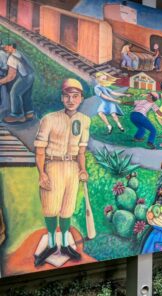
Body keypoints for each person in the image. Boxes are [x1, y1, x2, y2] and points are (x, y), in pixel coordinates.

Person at [33, 78, 90, 266]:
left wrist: (83, 169)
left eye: (75, 96)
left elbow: (81, 151)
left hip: (72, 168)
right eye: (67, 96)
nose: (71, 100)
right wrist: (42, 173)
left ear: (81, 98)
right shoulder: (49, 119)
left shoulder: (84, 121)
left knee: (67, 208)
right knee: (50, 207)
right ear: (62, 98)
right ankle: (51, 243)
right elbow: (40, 150)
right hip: (53, 165)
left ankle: (65, 244)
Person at [0, 43, 35, 123]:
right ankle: (29, 113)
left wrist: (1, 81)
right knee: (26, 94)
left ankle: (17, 115)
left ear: (12, 47)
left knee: (14, 93)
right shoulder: (18, 53)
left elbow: (11, 76)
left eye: (7, 47)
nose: (5, 48)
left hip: (25, 77)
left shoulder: (12, 58)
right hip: (31, 75)